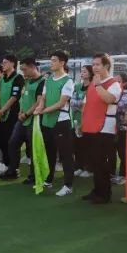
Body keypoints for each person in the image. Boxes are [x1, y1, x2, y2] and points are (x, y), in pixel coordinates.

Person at [80, 53, 122, 204]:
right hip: (90, 126)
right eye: (93, 64)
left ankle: (104, 194)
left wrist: (98, 85)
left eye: (98, 64)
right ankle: (97, 190)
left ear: (106, 66)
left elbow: (110, 99)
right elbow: (87, 104)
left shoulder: (113, 83)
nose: (95, 67)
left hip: (104, 128)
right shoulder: (93, 82)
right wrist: (82, 123)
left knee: (101, 162)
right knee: (93, 162)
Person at [35, 51, 77, 197]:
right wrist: (40, 106)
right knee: (49, 152)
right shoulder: (48, 80)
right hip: (47, 121)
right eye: (51, 60)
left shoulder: (68, 81)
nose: (51, 63)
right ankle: (48, 179)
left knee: (65, 155)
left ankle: (68, 185)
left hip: (61, 122)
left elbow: (61, 103)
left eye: (54, 60)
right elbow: (43, 97)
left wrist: (43, 110)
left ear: (62, 63)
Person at [0, 57, 45, 184]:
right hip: (22, 119)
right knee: (13, 143)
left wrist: (27, 114)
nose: (23, 72)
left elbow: (39, 102)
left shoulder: (42, 82)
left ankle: (34, 176)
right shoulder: (26, 81)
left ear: (32, 67)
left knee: (33, 149)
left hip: (34, 120)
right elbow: (23, 98)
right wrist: (20, 112)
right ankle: (13, 170)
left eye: (25, 69)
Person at [0, 55, 25, 174]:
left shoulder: (18, 78)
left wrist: (3, 110)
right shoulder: (2, 78)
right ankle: (5, 163)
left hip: (12, 114)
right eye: (2, 62)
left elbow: (14, 97)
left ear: (13, 64)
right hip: (0, 113)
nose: (3, 65)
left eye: (5, 62)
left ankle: (13, 166)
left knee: (11, 141)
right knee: (1, 140)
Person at [72, 65, 93, 179]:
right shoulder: (77, 86)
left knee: (87, 145)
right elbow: (72, 102)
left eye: (84, 71)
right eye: (81, 71)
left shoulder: (93, 86)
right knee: (77, 145)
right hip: (76, 119)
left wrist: (80, 105)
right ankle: (79, 166)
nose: (82, 73)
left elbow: (90, 105)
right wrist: (81, 105)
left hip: (88, 120)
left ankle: (89, 168)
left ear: (90, 73)